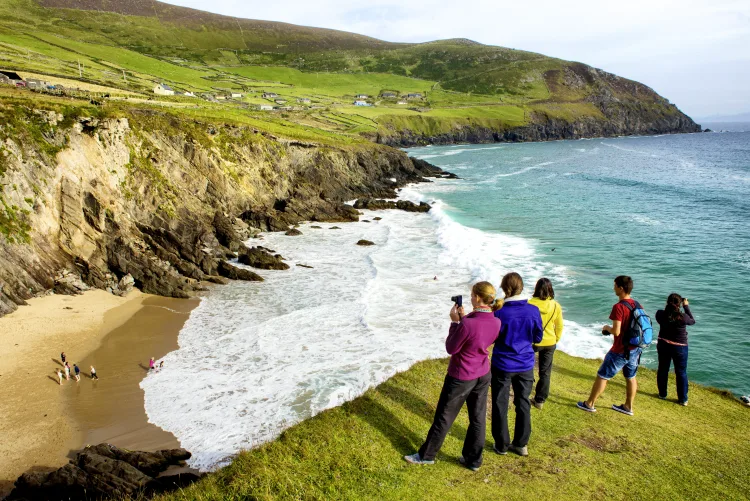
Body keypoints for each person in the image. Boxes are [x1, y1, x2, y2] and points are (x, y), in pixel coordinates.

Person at [404, 282, 502, 471]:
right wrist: (464, 318)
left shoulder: (467, 323)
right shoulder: (496, 321)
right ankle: (473, 460)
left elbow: (451, 347)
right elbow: (478, 334)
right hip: (482, 373)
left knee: (444, 416)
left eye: (473, 295)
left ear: (479, 298)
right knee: (478, 418)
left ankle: (426, 456)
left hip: (461, 375)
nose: (471, 297)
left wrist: (455, 322)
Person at [490, 272, 543, 457]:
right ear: (521, 287)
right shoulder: (533, 310)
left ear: (505, 288)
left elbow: (492, 337)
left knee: (499, 403)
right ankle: (521, 444)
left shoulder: (499, 312)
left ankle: (502, 444)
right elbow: (538, 337)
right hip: (525, 363)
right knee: (523, 403)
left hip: (503, 363)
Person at [578, 276, 642, 416]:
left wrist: (607, 328)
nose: (613, 288)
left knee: (603, 375)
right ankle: (628, 407)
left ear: (621, 288)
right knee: (631, 377)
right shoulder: (637, 305)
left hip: (620, 349)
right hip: (635, 348)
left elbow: (617, 331)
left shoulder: (618, 307)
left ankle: (590, 404)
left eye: (615, 285)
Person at [528, 278, 564, 410]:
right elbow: (559, 326)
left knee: (528, 367)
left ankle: (525, 393)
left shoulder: (530, 303)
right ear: (550, 289)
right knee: (545, 373)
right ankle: (540, 400)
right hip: (550, 341)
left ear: (536, 289)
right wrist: (556, 339)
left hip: (532, 340)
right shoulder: (555, 305)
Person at [655, 294, 695, 406]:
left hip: (663, 344)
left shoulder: (660, 314)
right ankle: (683, 399)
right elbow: (692, 321)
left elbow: (665, 316)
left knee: (663, 369)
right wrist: (686, 307)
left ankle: (662, 394)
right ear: (679, 304)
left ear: (667, 302)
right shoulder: (683, 317)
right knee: (681, 372)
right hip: (680, 347)